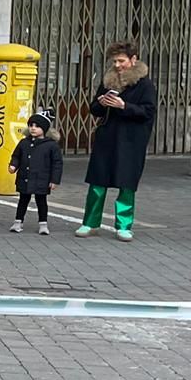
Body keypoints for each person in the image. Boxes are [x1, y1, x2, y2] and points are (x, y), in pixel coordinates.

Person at [75, 42, 156, 241]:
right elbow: (94, 109)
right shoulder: (108, 81)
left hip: (131, 141)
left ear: (133, 60)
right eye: (115, 61)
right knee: (97, 183)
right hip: (107, 137)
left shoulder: (145, 84)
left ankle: (124, 225)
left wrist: (124, 105)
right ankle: (90, 223)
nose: (118, 65)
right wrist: (101, 103)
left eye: (122, 61)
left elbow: (148, 112)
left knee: (126, 184)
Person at [8, 112, 62, 234]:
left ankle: (43, 224)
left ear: (44, 129)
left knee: (41, 201)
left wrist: (54, 180)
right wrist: (13, 165)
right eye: (31, 125)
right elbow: (16, 156)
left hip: (42, 178)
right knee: (23, 200)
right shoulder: (24, 143)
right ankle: (18, 222)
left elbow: (57, 163)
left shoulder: (51, 145)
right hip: (25, 177)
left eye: (37, 126)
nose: (33, 128)